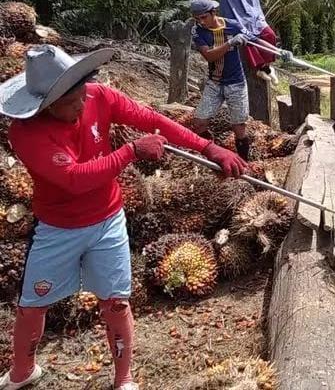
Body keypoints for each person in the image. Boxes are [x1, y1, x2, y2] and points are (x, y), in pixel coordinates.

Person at [0, 44, 246, 390]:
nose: (82, 105)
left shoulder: (98, 96)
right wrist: (130, 151)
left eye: (81, 96)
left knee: (116, 303)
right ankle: (22, 371)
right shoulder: (26, 133)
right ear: (46, 106)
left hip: (107, 221)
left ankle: (123, 379)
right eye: (70, 104)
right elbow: (74, 179)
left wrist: (207, 147)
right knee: (32, 305)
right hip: (57, 228)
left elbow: (152, 119)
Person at [190, 0, 253, 160]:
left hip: (236, 83)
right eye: (197, 18)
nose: (201, 22)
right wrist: (230, 43)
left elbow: (252, 37)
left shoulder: (232, 25)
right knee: (199, 123)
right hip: (214, 83)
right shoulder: (198, 31)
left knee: (238, 126)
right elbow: (209, 56)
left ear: (213, 12)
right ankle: (213, 153)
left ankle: (244, 164)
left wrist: (246, 38)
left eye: (204, 17)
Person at [220, 0, 290, 85]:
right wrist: (241, 25)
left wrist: (260, 22)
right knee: (246, 40)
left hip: (254, 21)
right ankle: (261, 68)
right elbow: (228, 14)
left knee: (269, 34)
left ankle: (268, 67)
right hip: (238, 24)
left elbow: (256, 9)